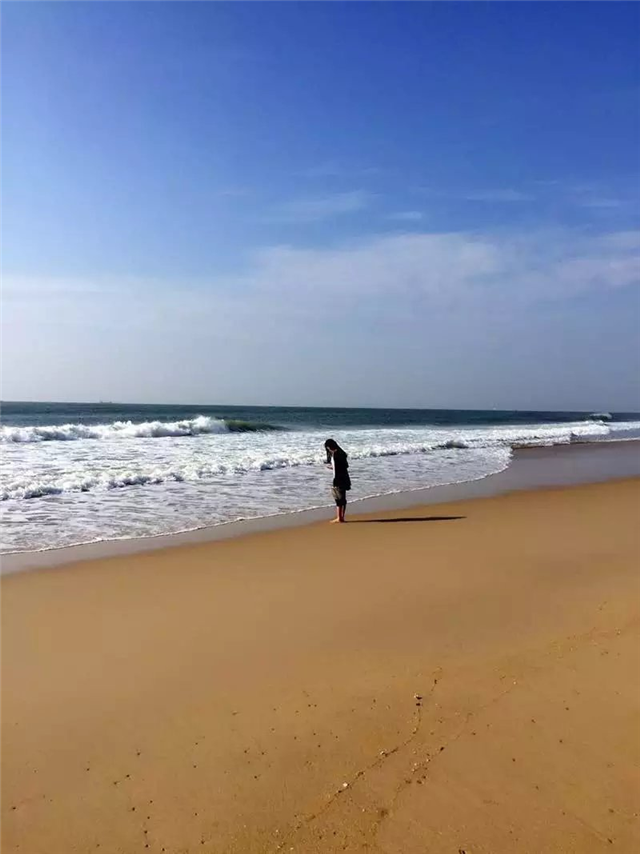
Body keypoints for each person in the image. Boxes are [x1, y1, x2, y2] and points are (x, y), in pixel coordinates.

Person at [324, 438, 351, 523]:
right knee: (343, 498)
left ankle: (339, 518)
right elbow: (345, 466)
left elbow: (338, 468)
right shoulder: (342, 453)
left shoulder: (335, 455)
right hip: (345, 477)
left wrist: (332, 468)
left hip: (338, 478)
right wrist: (333, 467)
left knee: (338, 499)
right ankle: (341, 517)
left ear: (329, 447)